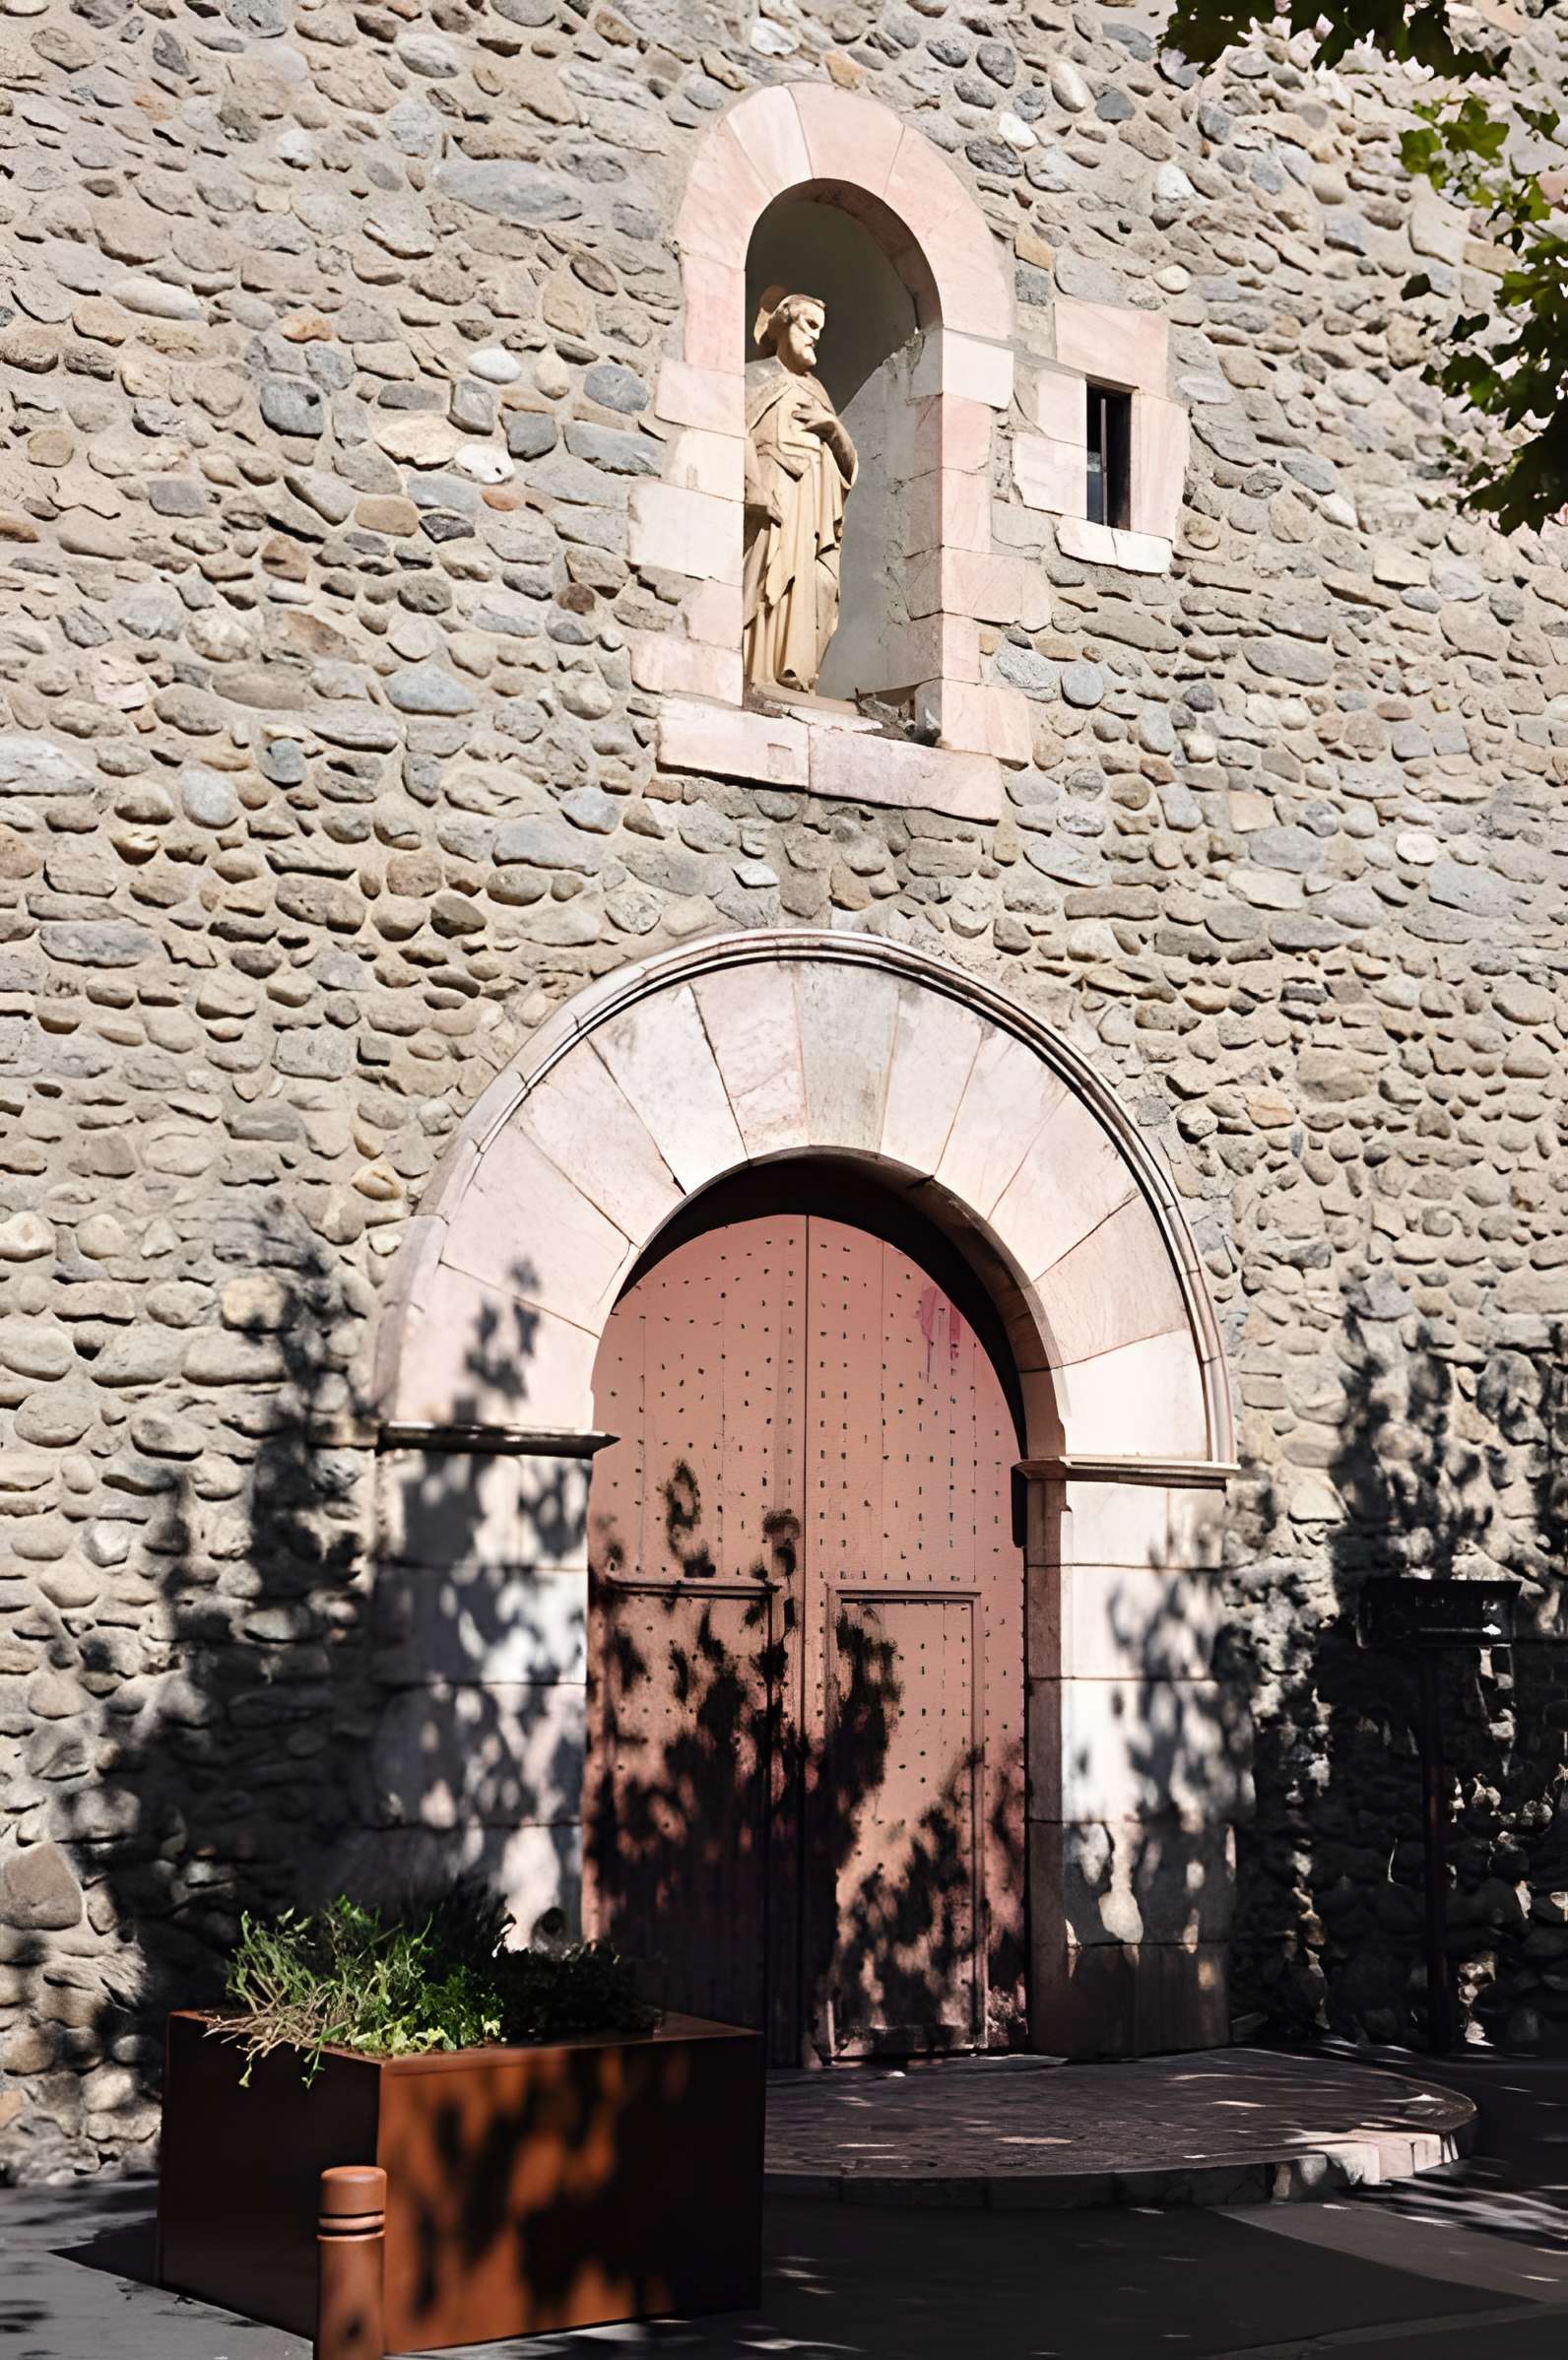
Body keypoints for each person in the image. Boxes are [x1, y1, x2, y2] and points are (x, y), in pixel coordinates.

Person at [742, 287, 858, 696]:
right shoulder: (754, 377)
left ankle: (796, 672)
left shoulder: (817, 392)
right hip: (772, 488)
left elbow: (849, 466)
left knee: (817, 584)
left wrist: (834, 428)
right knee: (764, 577)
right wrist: (753, 485)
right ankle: (755, 668)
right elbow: (735, 428)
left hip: (812, 500)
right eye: (809, 325)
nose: (815, 337)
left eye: (820, 330)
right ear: (783, 324)